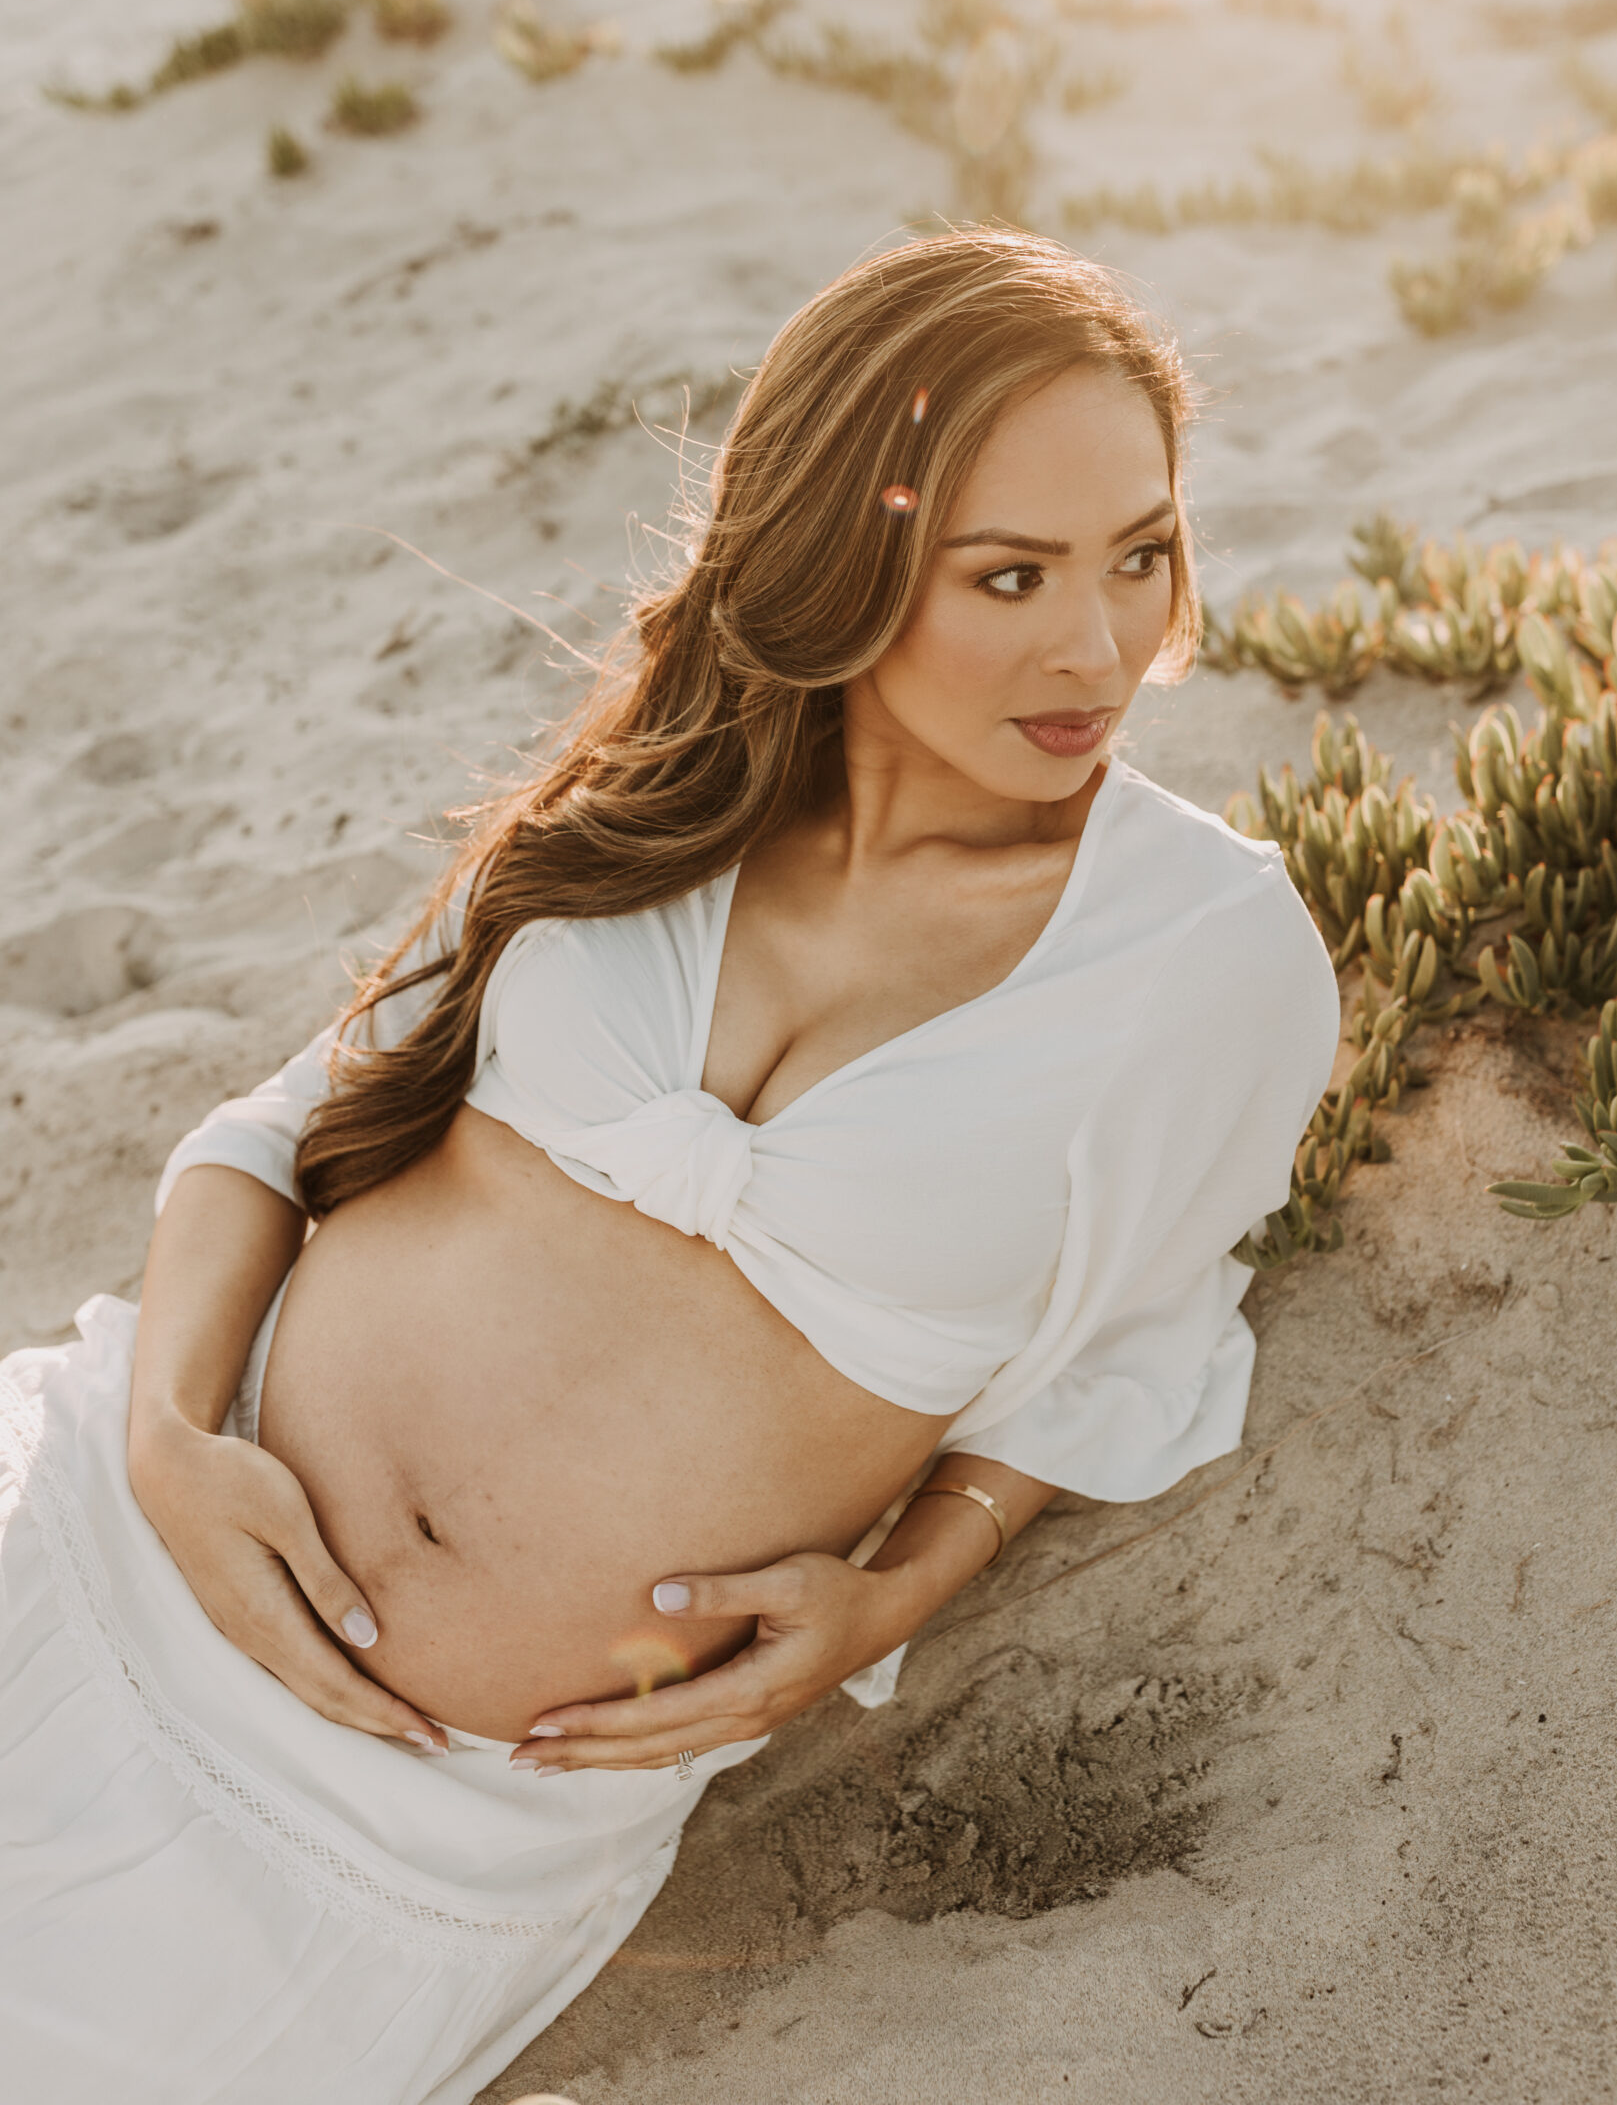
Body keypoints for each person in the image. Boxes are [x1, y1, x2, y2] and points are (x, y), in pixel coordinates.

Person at [0, 229, 1340, 2104]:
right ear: (841, 558)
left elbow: (1139, 1336)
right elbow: (285, 1126)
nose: (1097, 646)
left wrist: (898, 1598)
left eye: (1143, 554)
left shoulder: (1205, 960)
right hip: (86, 1537)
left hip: (405, 1831)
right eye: (1009, 575)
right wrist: (166, 1437)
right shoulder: (663, 797)